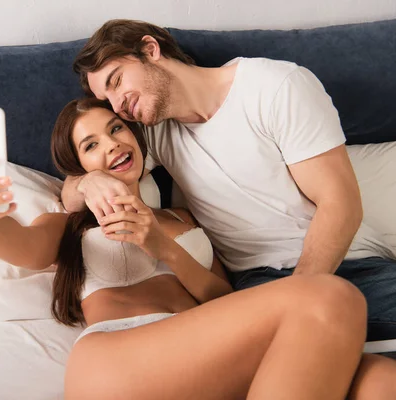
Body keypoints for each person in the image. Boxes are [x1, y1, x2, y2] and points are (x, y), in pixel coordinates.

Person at [0, 98, 396, 399]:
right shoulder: (73, 221)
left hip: (206, 365)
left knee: (381, 381)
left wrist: (163, 245)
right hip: (119, 362)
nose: (113, 144)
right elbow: (25, 247)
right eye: (91, 144)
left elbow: (224, 302)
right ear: (78, 165)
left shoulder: (184, 218)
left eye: (116, 128)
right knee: (330, 297)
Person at [62, 19, 396, 339]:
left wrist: (299, 297)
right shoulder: (153, 133)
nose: (118, 106)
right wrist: (89, 182)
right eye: (107, 101)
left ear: (150, 50)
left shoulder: (274, 86)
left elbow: (340, 203)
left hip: (349, 265)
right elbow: (72, 189)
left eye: (117, 81)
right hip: (256, 286)